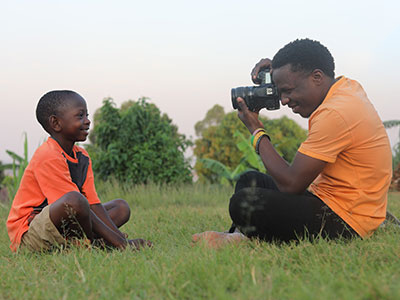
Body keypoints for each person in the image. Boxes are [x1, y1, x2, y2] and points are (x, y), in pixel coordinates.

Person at [192, 38, 392, 248]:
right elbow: (303, 67)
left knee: (244, 204)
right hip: (330, 200)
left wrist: (256, 131)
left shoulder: (335, 113)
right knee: (249, 180)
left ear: (317, 77)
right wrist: (278, 71)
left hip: (348, 220)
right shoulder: (346, 88)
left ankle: (241, 240)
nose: (284, 100)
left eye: (288, 90)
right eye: (281, 92)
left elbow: (291, 185)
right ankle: (243, 237)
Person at [6, 90, 152, 252]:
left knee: (120, 207)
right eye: (80, 116)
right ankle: (92, 244)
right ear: (56, 123)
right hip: (30, 234)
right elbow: (73, 205)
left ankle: (91, 243)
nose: (87, 121)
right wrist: (122, 244)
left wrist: (117, 237)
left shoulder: (82, 156)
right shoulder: (48, 155)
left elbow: (93, 204)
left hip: (64, 224)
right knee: (75, 200)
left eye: (87, 115)